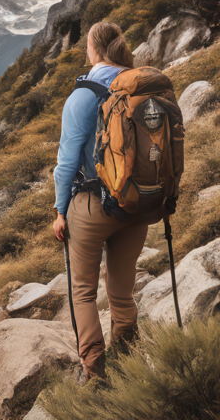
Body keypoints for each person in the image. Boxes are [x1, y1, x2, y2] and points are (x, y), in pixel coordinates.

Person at [52, 22, 148, 381]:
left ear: (93, 49)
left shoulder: (85, 93)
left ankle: (96, 375)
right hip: (138, 205)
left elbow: (65, 165)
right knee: (122, 293)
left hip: (93, 204)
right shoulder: (142, 85)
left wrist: (60, 211)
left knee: (83, 293)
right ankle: (128, 367)